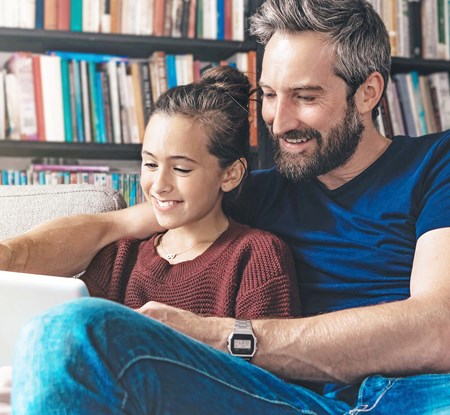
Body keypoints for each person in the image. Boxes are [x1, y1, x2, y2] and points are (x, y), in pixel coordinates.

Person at [5, 0, 450, 413]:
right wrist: (10, 256)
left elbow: (439, 326)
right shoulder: (251, 190)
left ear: (369, 91)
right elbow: (108, 227)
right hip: (292, 400)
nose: (280, 119)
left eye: (306, 96)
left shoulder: (435, 164)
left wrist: (220, 335)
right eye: (271, 95)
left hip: (422, 392)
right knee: (72, 332)